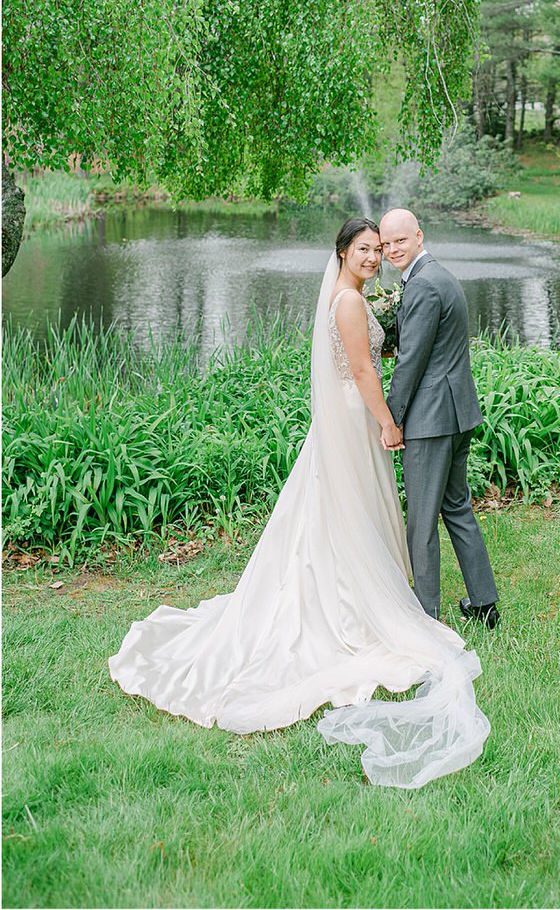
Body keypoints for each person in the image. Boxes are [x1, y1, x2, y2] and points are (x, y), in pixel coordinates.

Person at [108, 217, 489, 789]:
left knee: (361, 512)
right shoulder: (351, 303)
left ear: (412, 241)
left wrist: (388, 412)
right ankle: (416, 609)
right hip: (362, 418)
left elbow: (384, 361)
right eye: (368, 248)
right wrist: (389, 418)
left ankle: (441, 602)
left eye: (382, 248)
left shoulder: (363, 296)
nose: (377, 256)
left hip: (367, 419)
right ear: (343, 252)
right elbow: (364, 368)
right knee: (368, 512)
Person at [379, 208, 500, 627]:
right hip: (456, 412)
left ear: (418, 236)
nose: (392, 249)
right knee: (457, 508)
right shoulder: (437, 275)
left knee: (422, 522)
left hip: (431, 420)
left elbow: (411, 362)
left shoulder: (425, 286)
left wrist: (390, 418)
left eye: (400, 241)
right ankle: (484, 605)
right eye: (386, 243)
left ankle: (424, 615)